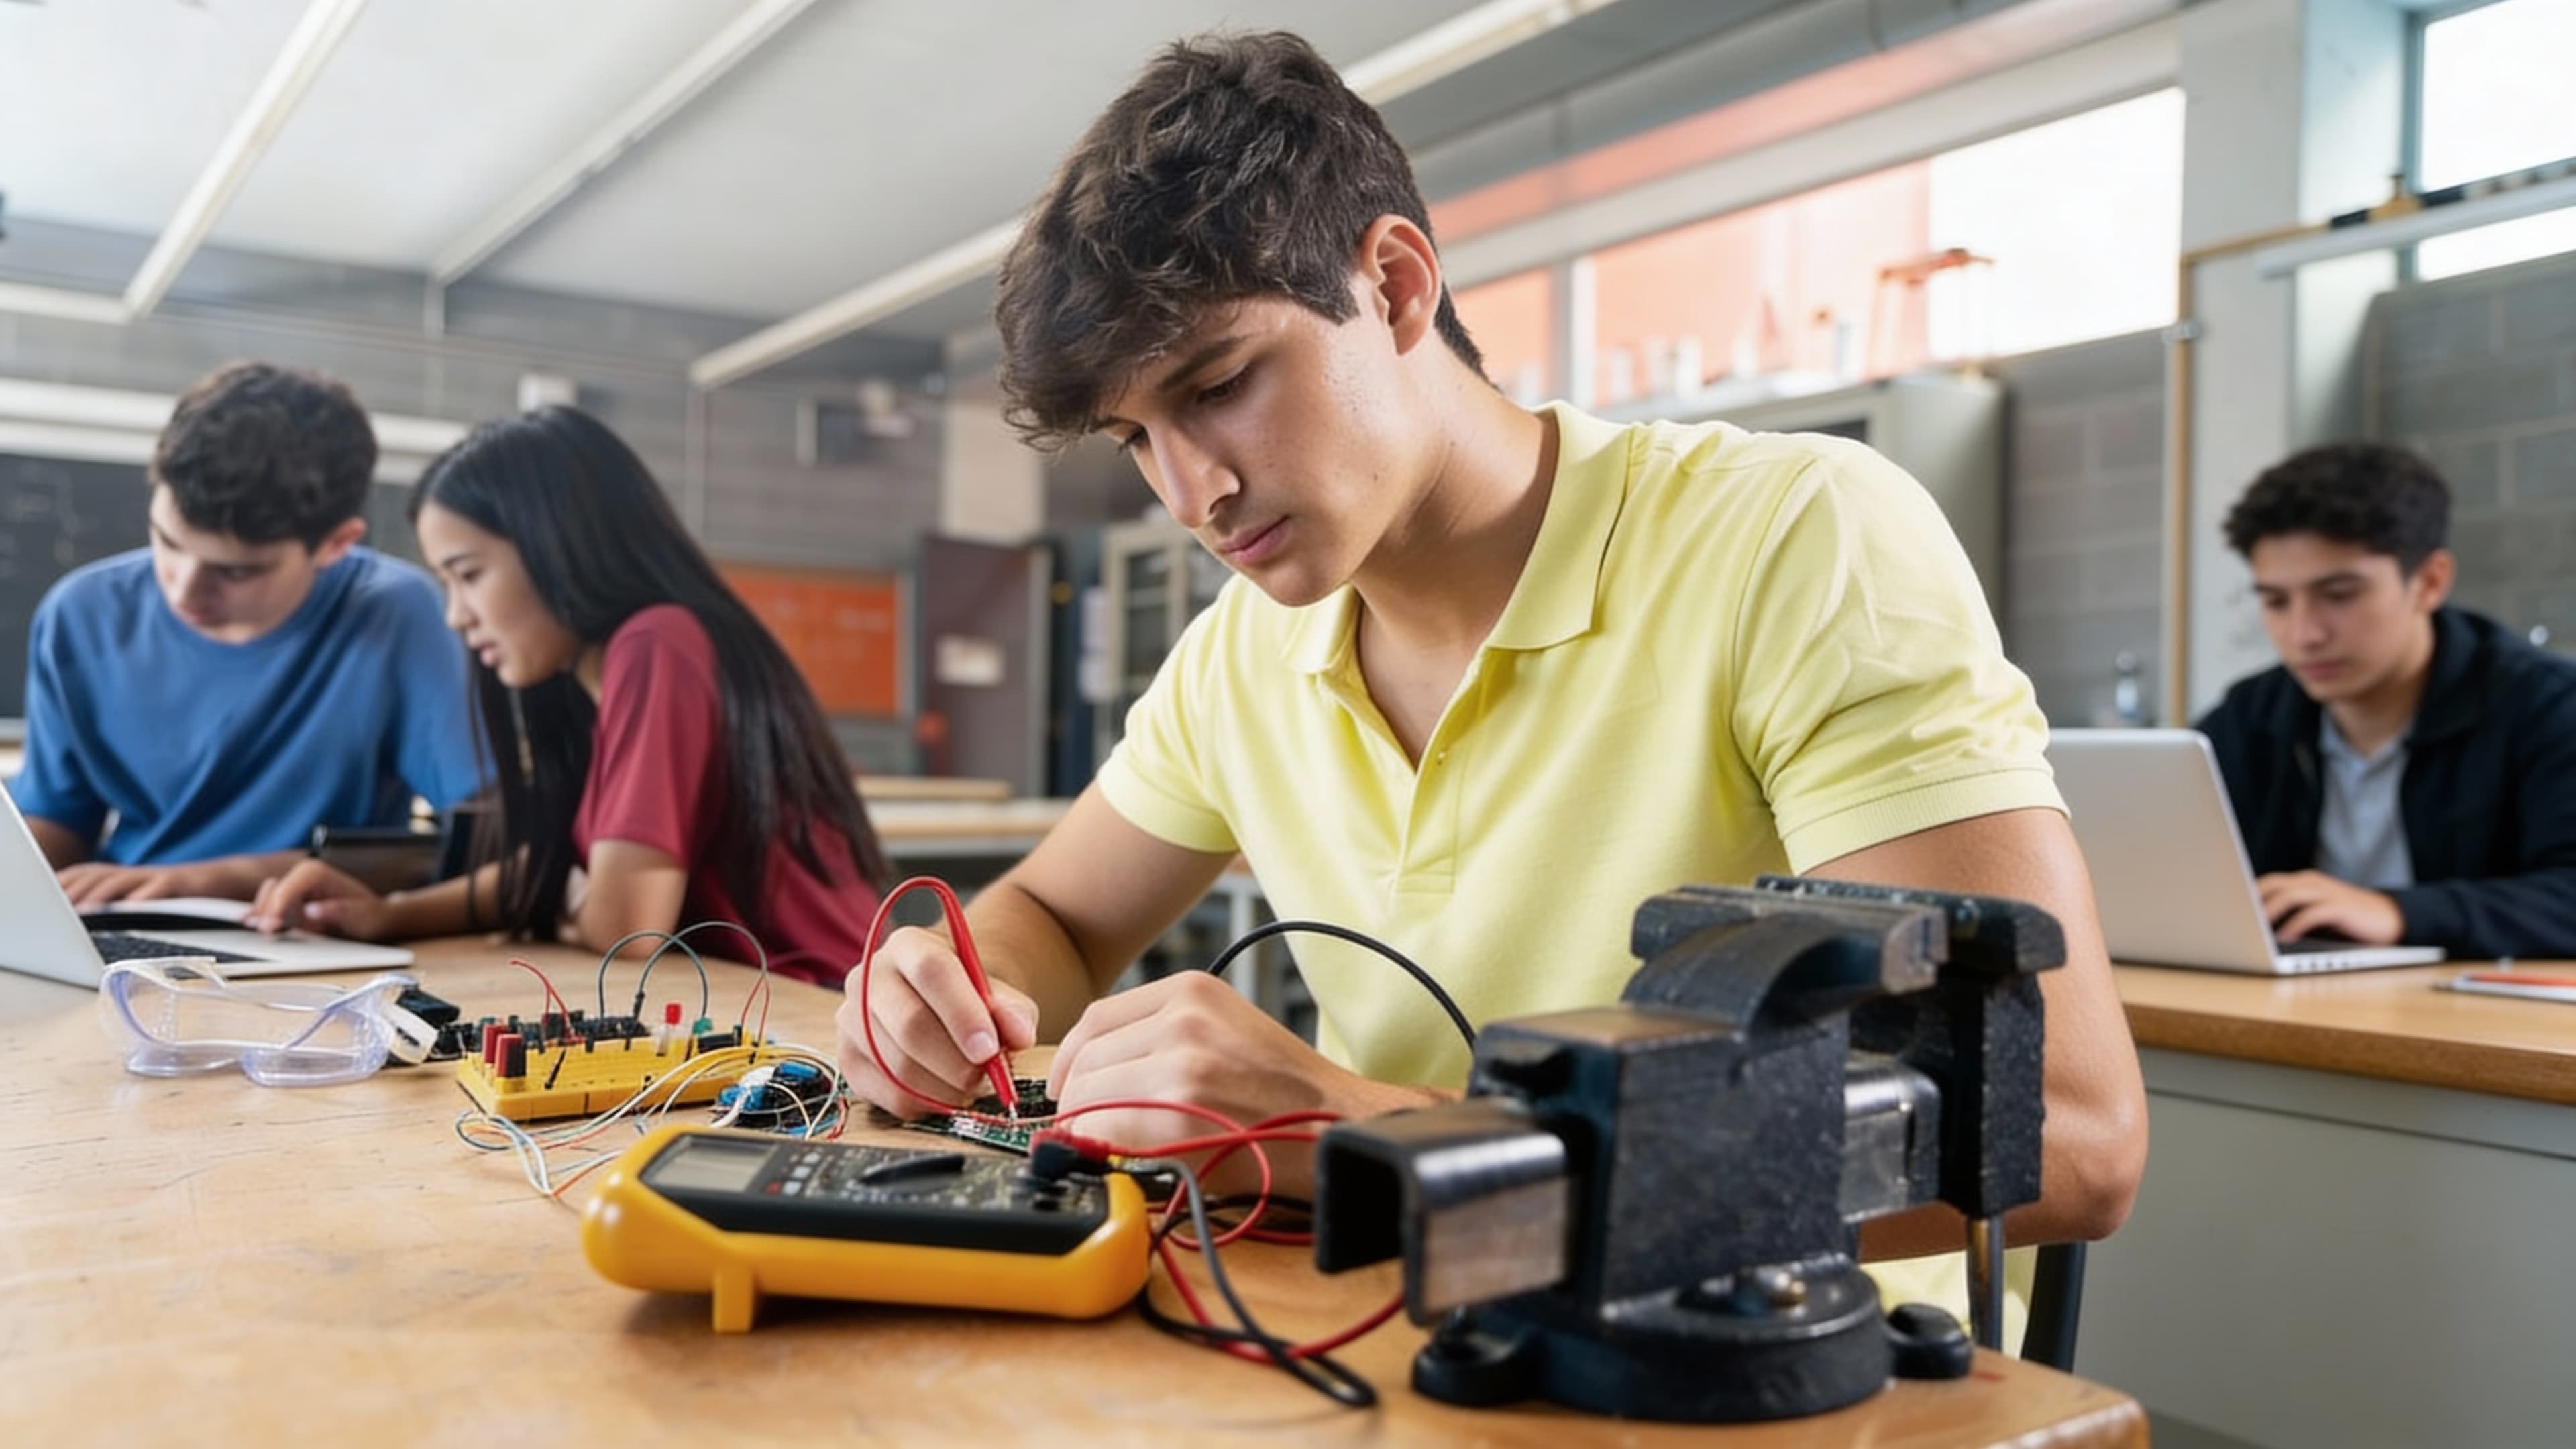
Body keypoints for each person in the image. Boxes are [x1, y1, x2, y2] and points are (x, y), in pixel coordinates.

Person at [838, 24, 2145, 1307]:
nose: (1191, 491)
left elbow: (2069, 1137)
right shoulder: (1242, 653)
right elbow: (1055, 918)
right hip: (1414, 1330)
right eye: (1134, 438)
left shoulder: (1793, 538)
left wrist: (1373, 1132)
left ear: (1399, 285)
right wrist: (959, 994)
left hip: (1777, 1369)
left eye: (1220, 383)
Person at [247, 407, 894, 985]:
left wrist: (580, 900)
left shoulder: (658, 643)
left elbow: (625, 930)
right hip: (744, 1003)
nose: (455, 616)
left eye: (468, 576)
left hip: (805, 1015)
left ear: (557, 544)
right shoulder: (595, 685)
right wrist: (383, 916)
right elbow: (555, 870)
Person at [8, 360, 483, 907]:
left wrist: (207, 881)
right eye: (167, 541)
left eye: (235, 572)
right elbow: (58, 824)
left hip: (310, 930)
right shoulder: (80, 615)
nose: (184, 590)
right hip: (128, 925)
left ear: (336, 544)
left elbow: (479, 839)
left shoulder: (399, 615)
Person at [2198, 443, 2576, 959]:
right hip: (2296, 1016)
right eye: (2276, 602)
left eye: (2340, 594)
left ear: (2429, 582)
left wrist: (2397, 912)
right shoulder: (2250, 717)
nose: (2304, 633)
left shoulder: (2548, 707)